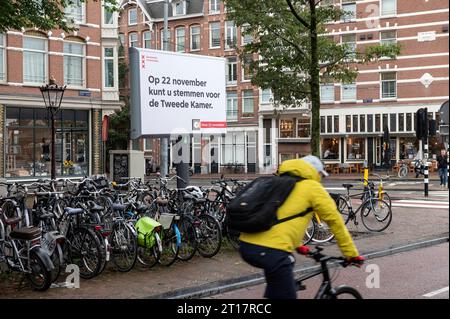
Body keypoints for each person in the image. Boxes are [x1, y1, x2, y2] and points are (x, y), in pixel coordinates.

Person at [238, 155, 364, 299]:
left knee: (279, 284)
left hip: (247, 245)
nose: (321, 178)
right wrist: (351, 254)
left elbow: (282, 219)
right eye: (321, 174)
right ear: (315, 172)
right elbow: (336, 222)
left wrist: (298, 245)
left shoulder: (281, 182)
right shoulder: (312, 188)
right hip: (270, 251)